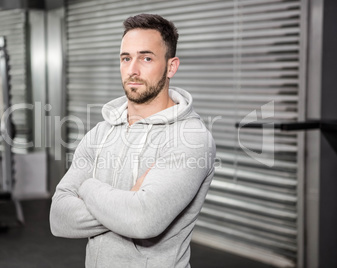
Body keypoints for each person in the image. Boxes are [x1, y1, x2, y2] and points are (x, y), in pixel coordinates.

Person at [50, 13, 216, 268]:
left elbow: (142, 219)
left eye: (146, 58)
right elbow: (59, 218)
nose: (132, 70)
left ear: (171, 66)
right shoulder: (100, 133)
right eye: (126, 58)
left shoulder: (191, 138)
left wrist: (88, 188)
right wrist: (128, 201)